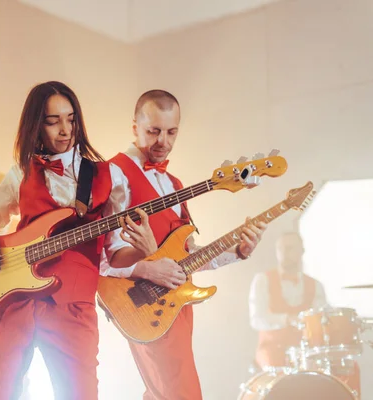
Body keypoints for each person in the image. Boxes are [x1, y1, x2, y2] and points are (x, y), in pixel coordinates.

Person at [0, 81, 156, 399]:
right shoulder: (22, 173)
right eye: (53, 121)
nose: (65, 130)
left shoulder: (109, 177)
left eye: (71, 119)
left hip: (73, 308)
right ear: (36, 125)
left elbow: (114, 256)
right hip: (17, 301)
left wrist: (142, 250)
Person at [100, 89, 267, 400]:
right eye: (153, 131)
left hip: (177, 303)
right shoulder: (114, 173)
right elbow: (103, 258)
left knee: (163, 394)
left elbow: (187, 255)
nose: (163, 141)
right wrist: (150, 265)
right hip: (143, 303)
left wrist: (237, 252)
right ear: (135, 128)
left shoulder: (175, 185)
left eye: (171, 131)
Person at [248, 232, 361, 397]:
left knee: (348, 370)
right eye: (280, 249)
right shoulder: (262, 280)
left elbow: (322, 321)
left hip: (307, 352)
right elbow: (257, 319)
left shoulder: (316, 286)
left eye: (289, 248)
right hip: (273, 349)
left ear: (302, 250)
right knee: (283, 381)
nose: (284, 253)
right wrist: (288, 319)